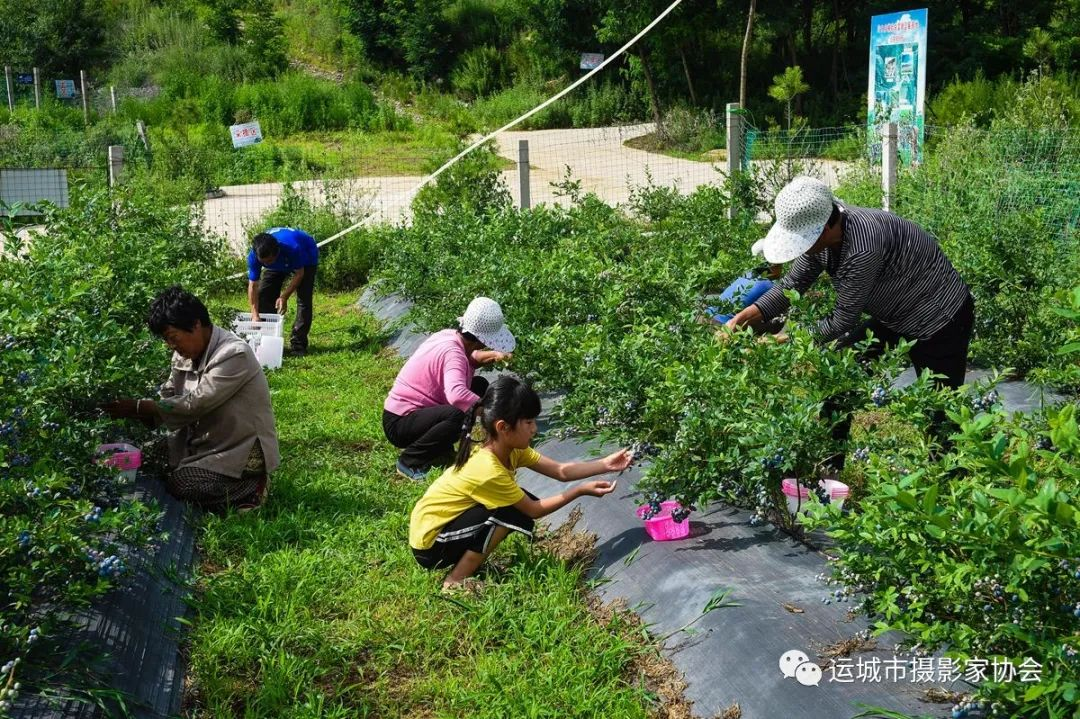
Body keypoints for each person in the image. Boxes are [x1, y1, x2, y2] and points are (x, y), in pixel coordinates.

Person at [725, 176, 975, 468]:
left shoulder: (862, 245)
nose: (802, 249)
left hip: (941, 317)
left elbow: (843, 318)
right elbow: (789, 289)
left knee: (940, 412)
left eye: (804, 241)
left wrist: (783, 340)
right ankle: (829, 472)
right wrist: (740, 320)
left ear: (827, 225)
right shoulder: (822, 241)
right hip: (893, 316)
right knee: (838, 382)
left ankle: (947, 492)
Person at [409, 376, 629, 591]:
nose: (534, 429)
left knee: (514, 504)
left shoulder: (511, 450)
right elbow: (533, 510)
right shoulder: (488, 469)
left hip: (441, 529)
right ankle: (455, 580)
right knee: (511, 510)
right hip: (429, 545)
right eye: (528, 422)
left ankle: (466, 561)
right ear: (503, 427)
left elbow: (561, 471)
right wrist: (579, 491)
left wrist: (605, 464)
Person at [103, 286, 280, 511]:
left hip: (238, 449)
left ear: (196, 324)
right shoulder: (184, 355)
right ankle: (211, 474)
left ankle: (251, 488)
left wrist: (140, 407)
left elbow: (196, 403)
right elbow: (168, 395)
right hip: (205, 441)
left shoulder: (233, 354)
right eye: (167, 340)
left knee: (182, 483)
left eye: (173, 338)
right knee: (147, 457)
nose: (172, 346)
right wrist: (138, 411)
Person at [384, 297, 516, 481]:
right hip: (400, 423)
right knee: (459, 414)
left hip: (411, 415)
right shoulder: (453, 353)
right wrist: (493, 415)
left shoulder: (449, 336)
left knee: (478, 386)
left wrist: (494, 355)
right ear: (481, 340)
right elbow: (456, 395)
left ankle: (439, 448)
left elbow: (470, 357)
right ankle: (409, 462)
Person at [247, 227, 319, 356]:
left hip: (307, 255)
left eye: (269, 261)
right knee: (264, 295)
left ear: (277, 252)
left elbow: (299, 274)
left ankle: (298, 344)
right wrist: (254, 314)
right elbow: (253, 285)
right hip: (279, 261)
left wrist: (284, 296)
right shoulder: (255, 256)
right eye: (263, 263)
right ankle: (267, 339)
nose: (266, 264)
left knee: (304, 299)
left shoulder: (293, 248)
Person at [705, 262, 784, 334]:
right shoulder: (769, 286)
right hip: (724, 327)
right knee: (778, 319)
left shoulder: (747, 275)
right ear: (774, 267)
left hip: (706, 317)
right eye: (780, 265)